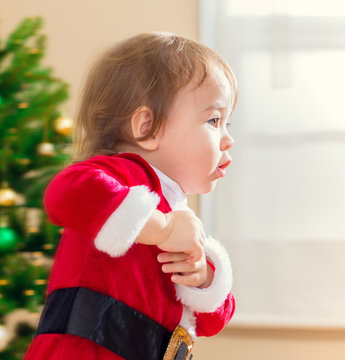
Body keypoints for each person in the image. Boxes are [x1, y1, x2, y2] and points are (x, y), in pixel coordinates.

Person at [23, 32, 236, 360]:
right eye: (214, 120)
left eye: (227, 123)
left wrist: (204, 276)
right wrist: (163, 229)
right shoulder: (124, 175)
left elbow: (212, 320)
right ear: (147, 127)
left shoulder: (173, 210)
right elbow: (68, 191)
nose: (227, 140)